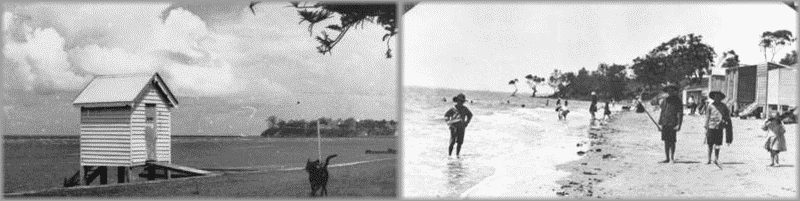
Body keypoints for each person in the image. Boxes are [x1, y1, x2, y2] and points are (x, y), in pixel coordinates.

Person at [703, 91, 733, 165]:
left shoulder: (724, 106)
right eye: (715, 96)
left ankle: (716, 158)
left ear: (720, 98)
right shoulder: (710, 106)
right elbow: (707, 116)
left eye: (718, 97)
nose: (717, 98)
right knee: (710, 144)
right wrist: (706, 126)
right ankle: (709, 159)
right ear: (713, 98)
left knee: (717, 144)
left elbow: (727, 115)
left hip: (719, 127)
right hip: (711, 126)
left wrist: (725, 121)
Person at [658, 85, 683, 164]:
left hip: (673, 123)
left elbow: (680, 113)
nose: (670, 92)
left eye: (671, 90)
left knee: (672, 141)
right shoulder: (665, 100)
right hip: (665, 122)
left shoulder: (678, 100)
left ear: (674, 91)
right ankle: (667, 158)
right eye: (668, 91)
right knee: (666, 141)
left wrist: (679, 124)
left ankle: (672, 158)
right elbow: (662, 112)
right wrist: (660, 124)